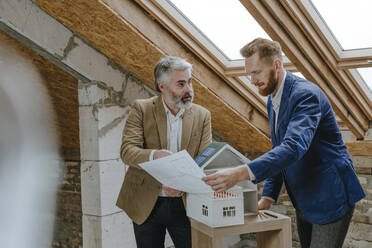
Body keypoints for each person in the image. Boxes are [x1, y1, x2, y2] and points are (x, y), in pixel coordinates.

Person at [202, 38, 365, 248]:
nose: (252, 80)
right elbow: (279, 148)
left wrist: (239, 173)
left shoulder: (306, 96)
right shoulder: (273, 96)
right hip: (304, 195)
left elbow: (292, 148)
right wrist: (268, 197)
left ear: (277, 65)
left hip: (330, 193)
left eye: (257, 72)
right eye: (249, 73)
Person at [116, 56, 212, 248]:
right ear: (162, 86)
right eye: (181, 84)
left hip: (186, 203)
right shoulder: (141, 109)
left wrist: (182, 184)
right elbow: (127, 151)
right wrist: (155, 155)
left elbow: (205, 160)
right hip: (146, 202)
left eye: (190, 82)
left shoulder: (203, 115)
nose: (188, 90)